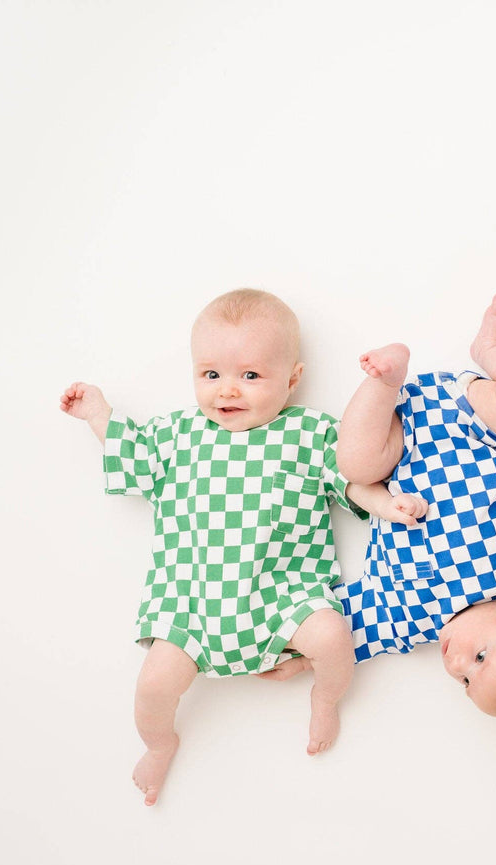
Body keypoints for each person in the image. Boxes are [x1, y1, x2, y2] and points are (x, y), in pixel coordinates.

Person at [60, 289, 417, 805]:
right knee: (153, 687)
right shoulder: (177, 434)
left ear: (293, 378)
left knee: (335, 638)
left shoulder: (310, 431)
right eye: (211, 375)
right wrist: (99, 413)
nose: (227, 390)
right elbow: (133, 460)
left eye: (250, 376)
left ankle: (325, 696)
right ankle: (160, 744)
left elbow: (350, 479)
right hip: (191, 606)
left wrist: (385, 504)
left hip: (286, 597)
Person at [322, 293, 496, 719]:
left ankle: (385, 382)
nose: (455, 665)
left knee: (352, 461)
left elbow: (341, 629)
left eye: (465, 682)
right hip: (475, 422)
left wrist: (297, 654)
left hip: (396, 447)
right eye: (480, 659)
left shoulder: (413, 616)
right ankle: (489, 348)